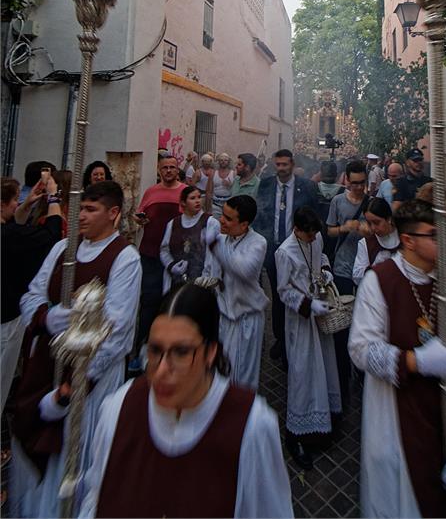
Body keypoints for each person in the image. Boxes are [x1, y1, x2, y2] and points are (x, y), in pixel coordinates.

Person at [77, 283, 292, 518]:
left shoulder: (253, 428)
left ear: (210, 352)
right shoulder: (118, 409)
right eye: (155, 350)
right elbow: (96, 497)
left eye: (181, 353)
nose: (160, 371)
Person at [349, 199, 446, 519]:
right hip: (399, 421)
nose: (444, 240)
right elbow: (361, 349)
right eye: (434, 235)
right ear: (408, 240)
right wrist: (414, 362)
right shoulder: (379, 281)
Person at [11, 180, 141, 519]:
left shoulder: (125, 258)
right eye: (80, 207)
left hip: (88, 381)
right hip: (46, 367)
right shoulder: (61, 249)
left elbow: (116, 331)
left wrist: (74, 387)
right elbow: (31, 296)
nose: (80, 215)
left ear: (112, 214)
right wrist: (48, 316)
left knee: (75, 458)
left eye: (90, 209)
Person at [275, 207, 341, 470]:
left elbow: (321, 256)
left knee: (323, 368)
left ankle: (322, 428)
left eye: (316, 234)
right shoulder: (284, 252)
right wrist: (307, 305)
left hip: (320, 314)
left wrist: (325, 271)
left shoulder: (316, 239)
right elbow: (283, 290)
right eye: (309, 235)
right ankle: (297, 434)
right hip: (301, 320)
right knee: (303, 373)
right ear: (297, 230)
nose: (314, 239)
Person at [1, 177, 62, 416]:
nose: (17, 204)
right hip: (5, 318)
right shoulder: (10, 238)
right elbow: (52, 233)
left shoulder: (9, 234)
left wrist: (27, 205)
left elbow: (14, 226)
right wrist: (53, 196)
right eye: (15, 200)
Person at [255, 149, 320, 368]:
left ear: (292, 164)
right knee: (278, 294)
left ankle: (300, 339)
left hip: (298, 250)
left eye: (284, 164)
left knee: (299, 290)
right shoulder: (265, 185)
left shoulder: (308, 187)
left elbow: (315, 217)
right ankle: (281, 339)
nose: (281, 168)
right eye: (278, 165)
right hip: (274, 249)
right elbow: (259, 215)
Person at [203, 195, 268, 390]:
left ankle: (241, 414)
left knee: (242, 376)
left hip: (246, 319)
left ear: (244, 224)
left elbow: (244, 270)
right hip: (224, 316)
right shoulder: (222, 239)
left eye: (229, 218)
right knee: (222, 370)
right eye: (222, 215)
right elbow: (211, 268)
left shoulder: (257, 243)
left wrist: (214, 246)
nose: (222, 220)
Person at [133, 156, 184, 368]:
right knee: (149, 301)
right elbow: (139, 214)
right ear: (159, 170)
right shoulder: (151, 192)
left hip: (177, 257)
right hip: (151, 253)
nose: (169, 170)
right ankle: (142, 348)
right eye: (165, 167)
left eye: (172, 167)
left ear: (178, 170)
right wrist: (140, 219)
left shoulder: (185, 192)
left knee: (174, 302)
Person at [326, 159, 369, 405]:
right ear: (346, 180)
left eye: (362, 183)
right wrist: (344, 228)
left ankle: (362, 367)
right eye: (354, 183)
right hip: (342, 266)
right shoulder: (337, 201)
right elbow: (329, 230)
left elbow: (383, 228)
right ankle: (342, 366)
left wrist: (369, 229)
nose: (358, 188)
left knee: (362, 319)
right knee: (343, 316)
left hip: (364, 269)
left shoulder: (371, 202)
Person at [160, 185, 220, 293]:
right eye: (192, 198)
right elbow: (164, 250)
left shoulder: (210, 223)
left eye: (199, 197)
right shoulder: (173, 224)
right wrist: (171, 266)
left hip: (200, 282)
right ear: (183, 202)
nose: (197, 201)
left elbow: (212, 255)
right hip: (176, 282)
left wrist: (204, 279)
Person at [352, 197, 399, 287]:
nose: (373, 228)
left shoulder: (403, 237)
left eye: (377, 222)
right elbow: (356, 276)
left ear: (388, 219)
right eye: (369, 223)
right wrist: (375, 267)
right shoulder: (366, 243)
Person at [315, 159, 345, 267]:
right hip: (336, 235)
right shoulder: (344, 192)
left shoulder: (312, 188)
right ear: (336, 175)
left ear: (321, 173)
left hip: (315, 234)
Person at [211, 153, 234, 219]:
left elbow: (237, 190)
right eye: (221, 160)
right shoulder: (213, 173)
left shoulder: (233, 173)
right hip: (215, 204)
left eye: (225, 160)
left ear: (229, 162)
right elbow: (209, 191)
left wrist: (230, 185)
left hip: (229, 204)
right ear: (218, 161)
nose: (223, 162)